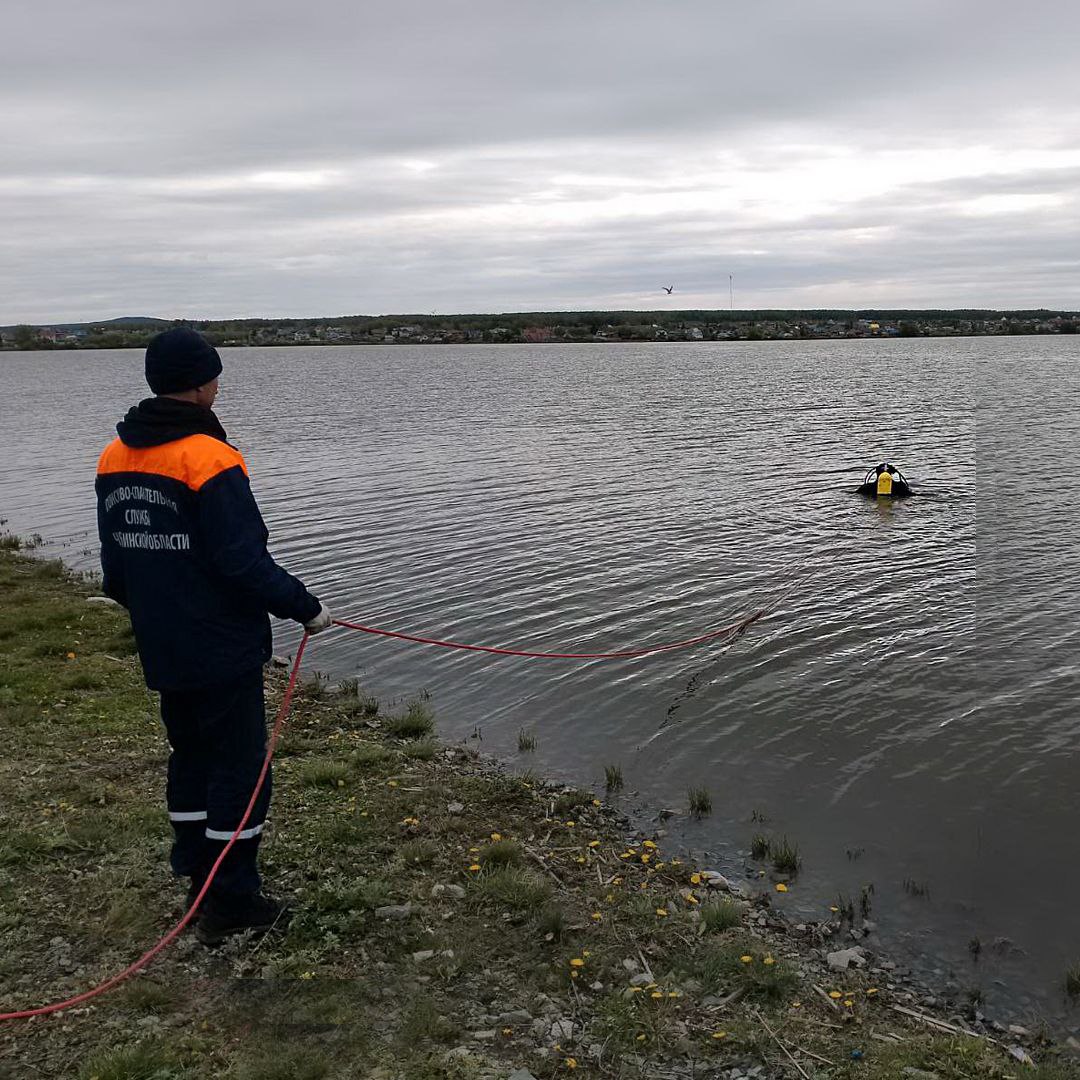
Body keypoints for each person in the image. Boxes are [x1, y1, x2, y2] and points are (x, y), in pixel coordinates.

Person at [95, 326, 332, 946]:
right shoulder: (209, 458)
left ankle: (196, 874)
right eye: (214, 376)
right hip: (219, 646)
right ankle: (230, 899)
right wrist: (306, 609)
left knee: (191, 757)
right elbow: (242, 561)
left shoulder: (114, 456)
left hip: (162, 642)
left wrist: (156, 610)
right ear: (202, 385)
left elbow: (116, 568)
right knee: (238, 769)